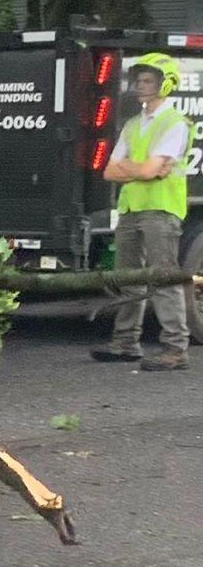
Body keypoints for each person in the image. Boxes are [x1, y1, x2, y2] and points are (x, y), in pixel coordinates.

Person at [93, 51, 192, 371]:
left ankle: (175, 349)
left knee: (163, 278)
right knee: (128, 278)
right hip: (132, 208)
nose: (140, 85)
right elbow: (110, 171)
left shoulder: (175, 123)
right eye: (138, 79)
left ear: (166, 84)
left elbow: (147, 171)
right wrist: (143, 168)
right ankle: (125, 343)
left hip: (161, 210)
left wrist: (132, 167)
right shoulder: (134, 124)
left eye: (148, 80)